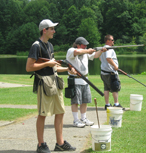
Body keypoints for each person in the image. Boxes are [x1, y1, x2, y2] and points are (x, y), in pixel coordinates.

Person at [26, 19, 76, 153]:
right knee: (43, 114)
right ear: (45, 30)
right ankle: (41, 145)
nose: (54, 31)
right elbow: (29, 67)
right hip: (44, 84)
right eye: (52, 29)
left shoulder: (50, 45)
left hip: (54, 82)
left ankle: (60, 143)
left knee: (60, 112)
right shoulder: (36, 45)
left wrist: (67, 69)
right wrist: (46, 64)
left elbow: (53, 67)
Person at [66, 37, 107, 128]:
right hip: (75, 80)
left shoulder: (85, 52)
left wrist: (101, 51)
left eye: (86, 45)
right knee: (75, 101)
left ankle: (83, 118)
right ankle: (76, 120)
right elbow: (77, 52)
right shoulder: (71, 50)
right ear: (78, 45)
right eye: (83, 45)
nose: (85, 46)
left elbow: (95, 56)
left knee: (85, 100)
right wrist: (88, 51)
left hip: (85, 80)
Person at [100, 34, 123, 110]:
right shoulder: (109, 49)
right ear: (108, 41)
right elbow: (108, 58)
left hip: (103, 72)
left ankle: (107, 104)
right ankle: (116, 104)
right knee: (115, 88)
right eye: (112, 40)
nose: (113, 41)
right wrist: (115, 66)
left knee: (106, 88)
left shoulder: (102, 48)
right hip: (111, 73)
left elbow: (100, 58)